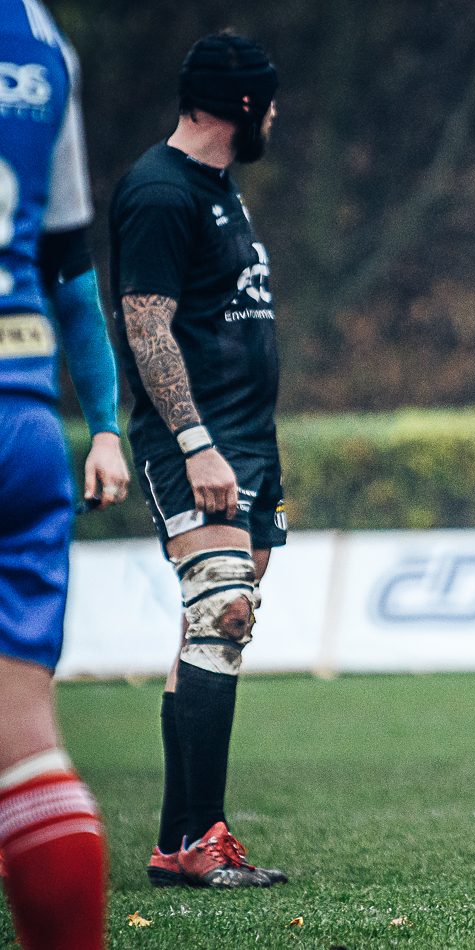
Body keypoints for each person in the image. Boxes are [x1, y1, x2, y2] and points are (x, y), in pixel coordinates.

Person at [111, 32, 289, 889]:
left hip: (251, 441)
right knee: (221, 614)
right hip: (202, 444)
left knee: (220, 624)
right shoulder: (157, 190)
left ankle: (180, 839)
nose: (276, 117)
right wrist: (194, 441)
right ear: (243, 105)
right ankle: (196, 839)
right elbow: (146, 326)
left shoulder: (221, 191)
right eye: (271, 102)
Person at [1, 0, 130, 945]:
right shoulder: (43, 39)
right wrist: (105, 425)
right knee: (24, 752)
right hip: (23, 413)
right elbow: (69, 271)